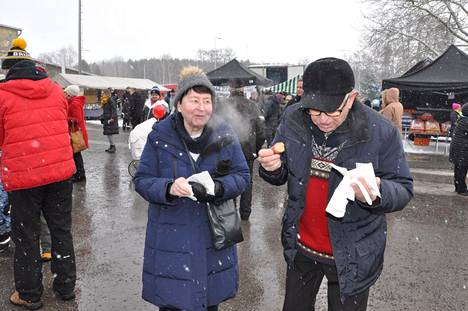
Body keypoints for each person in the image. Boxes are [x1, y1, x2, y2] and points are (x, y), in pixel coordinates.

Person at [257, 57, 413, 311]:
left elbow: (404, 188)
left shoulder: (380, 131)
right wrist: (272, 168)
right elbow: (283, 171)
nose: (322, 119)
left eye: (332, 111)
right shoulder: (294, 118)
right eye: (315, 110)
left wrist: (377, 191)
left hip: (352, 254)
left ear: (351, 98)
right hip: (301, 247)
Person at [134, 66, 250, 311]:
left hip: (213, 237)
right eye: (194, 100)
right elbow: (142, 180)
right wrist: (168, 188)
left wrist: (218, 188)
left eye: (207, 101)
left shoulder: (224, 135)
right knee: (173, 302)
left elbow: (242, 176)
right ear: (178, 105)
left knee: (209, 303)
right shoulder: (159, 136)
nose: (201, 107)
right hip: (171, 239)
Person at [0, 38, 77, 309]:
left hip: (24, 177)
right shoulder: (56, 91)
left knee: (26, 234)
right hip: (60, 173)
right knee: (61, 230)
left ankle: (30, 294)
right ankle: (66, 287)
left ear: (9, 70)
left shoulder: (2, 94)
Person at [219, 83, 265, 220]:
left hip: (227, 148)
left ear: (230, 89)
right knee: (247, 180)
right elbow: (261, 131)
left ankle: (231, 211)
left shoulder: (223, 105)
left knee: (229, 179)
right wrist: (256, 149)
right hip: (247, 150)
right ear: (243, 90)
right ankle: (245, 213)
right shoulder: (252, 105)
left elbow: (215, 128)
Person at [65, 85, 89, 182]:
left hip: (75, 132)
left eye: (66, 93)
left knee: (76, 154)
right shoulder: (73, 102)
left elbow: (77, 119)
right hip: (74, 131)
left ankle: (80, 174)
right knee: (75, 154)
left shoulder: (74, 104)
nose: (64, 94)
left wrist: (64, 118)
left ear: (70, 94)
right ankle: (79, 173)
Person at [449, 103, 468, 196]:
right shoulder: (466, 121)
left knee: (459, 169)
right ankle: (462, 189)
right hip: (462, 150)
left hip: (458, 149)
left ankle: (458, 187)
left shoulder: (463, 120)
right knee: (462, 169)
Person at [100, 88, 119, 153]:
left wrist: (112, 118)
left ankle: (113, 146)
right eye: (101, 93)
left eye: (103, 93)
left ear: (106, 93)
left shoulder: (110, 100)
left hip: (110, 120)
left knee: (110, 134)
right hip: (107, 119)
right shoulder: (105, 100)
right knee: (108, 133)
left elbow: (114, 110)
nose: (101, 94)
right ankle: (111, 146)